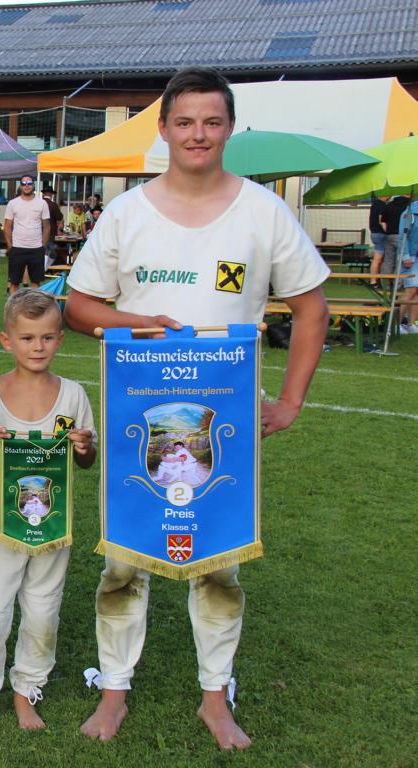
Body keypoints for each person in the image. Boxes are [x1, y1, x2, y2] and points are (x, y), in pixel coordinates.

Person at [64, 66, 330, 751]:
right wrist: (133, 321)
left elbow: (311, 307)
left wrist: (290, 400)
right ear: (163, 129)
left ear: (229, 127)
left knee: (218, 561)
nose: (198, 134)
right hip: (139, 418)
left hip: (224, 423)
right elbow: (77, 307)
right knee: (124, 559)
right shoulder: (126, 212)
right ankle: (114, 691)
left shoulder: (263, 210)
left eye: (212, 122)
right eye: (185, 122)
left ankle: (216, 695)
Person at [0, 288, 95, 736]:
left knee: (42, 611)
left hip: (52, 522)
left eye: (48, 337)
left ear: (60, 339)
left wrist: (84, 447)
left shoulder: (73, 395)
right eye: (28, 338)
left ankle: (27, 689)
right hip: (0, 521)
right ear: (7, 341)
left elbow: (87, 460)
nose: (38, 347)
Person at [3, 175, 51, 294]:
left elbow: (47, 226)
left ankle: (34, 306)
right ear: (20, 186)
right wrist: (10, 246)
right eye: (24, 183)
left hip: (36, 248)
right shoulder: (12, 203)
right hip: (17, 248)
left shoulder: (42, 203)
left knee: (36, 282)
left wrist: (42, 246)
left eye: (29, 183)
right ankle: (13, 305)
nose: (26, 186)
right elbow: (7, 226)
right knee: (14, 282)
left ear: (33, 185)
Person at [396, 198, 418, 334]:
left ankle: (411, 324)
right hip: (410, 257)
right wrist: (405, 256)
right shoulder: (409, 213)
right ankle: (396, 324)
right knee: (411, 290)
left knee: (417, 291)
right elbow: (402, 236)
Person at [380, 194, 411, 281]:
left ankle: (385, 283)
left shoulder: (389, 205)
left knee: (388, 260)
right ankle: (398, 284)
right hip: (402, 236)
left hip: (389, 235)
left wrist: (387, 231)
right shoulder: (409, 206)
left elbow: (383, 220)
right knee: (400, 260)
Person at [367, 195, 389, 284]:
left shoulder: (374, 204)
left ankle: (376, 279)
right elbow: (381, 221)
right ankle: (373, 281)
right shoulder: (382, 205)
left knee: (379, 259)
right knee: (378, 259)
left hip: (374, 233)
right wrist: (387, 232)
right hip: (380, 234)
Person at [41, 185, 64, 265]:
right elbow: (59, 217)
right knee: (50, 252)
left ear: (44, 194)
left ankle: (43, 267)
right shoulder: (53, 205)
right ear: (51, 194)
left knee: (41, 251)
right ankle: (46, 268)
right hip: (50, 232)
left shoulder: (38, 204)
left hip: (38, 231)